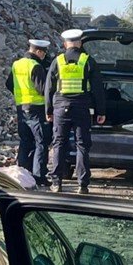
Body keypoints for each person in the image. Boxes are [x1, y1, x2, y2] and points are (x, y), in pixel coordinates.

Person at [44, 28, 106, 194]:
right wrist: (101, 111)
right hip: (81, 108)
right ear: (80, 43)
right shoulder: (88, 61)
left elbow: (49, 88)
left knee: (59, 143)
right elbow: (98, 89)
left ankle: (56, 183)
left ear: (65, 44)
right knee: (82, 145)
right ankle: (82, 185)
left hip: (60, 108)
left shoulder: (57, 61)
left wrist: (48, 110)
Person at [6, 38, 52, 188]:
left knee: (25, 141)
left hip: (21, 108)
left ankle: (22, 175)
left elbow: (9, 84)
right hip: (36, 109)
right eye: (43, 53)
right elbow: (43, 90)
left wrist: (20, 96)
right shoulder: (35, 66)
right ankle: (39, 177)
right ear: (38, 51)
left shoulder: (17, 64)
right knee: (41, 142)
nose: (44, 56)